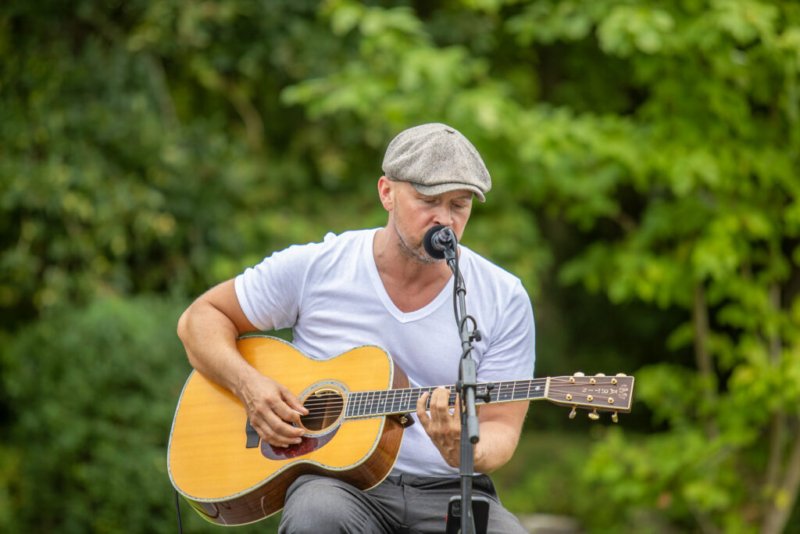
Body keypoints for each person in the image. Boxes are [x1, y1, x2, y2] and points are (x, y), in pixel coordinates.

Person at [176, 123, 536, 533]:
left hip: (451, 489)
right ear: (386, 192)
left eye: (459, 205)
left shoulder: (502, 296)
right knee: (317, 515)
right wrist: (249, 387)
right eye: (428, 200)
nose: (444, 220)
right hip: (338, 487)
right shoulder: (318, 267)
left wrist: (464, 451)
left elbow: (501, 427)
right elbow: (199, 320)